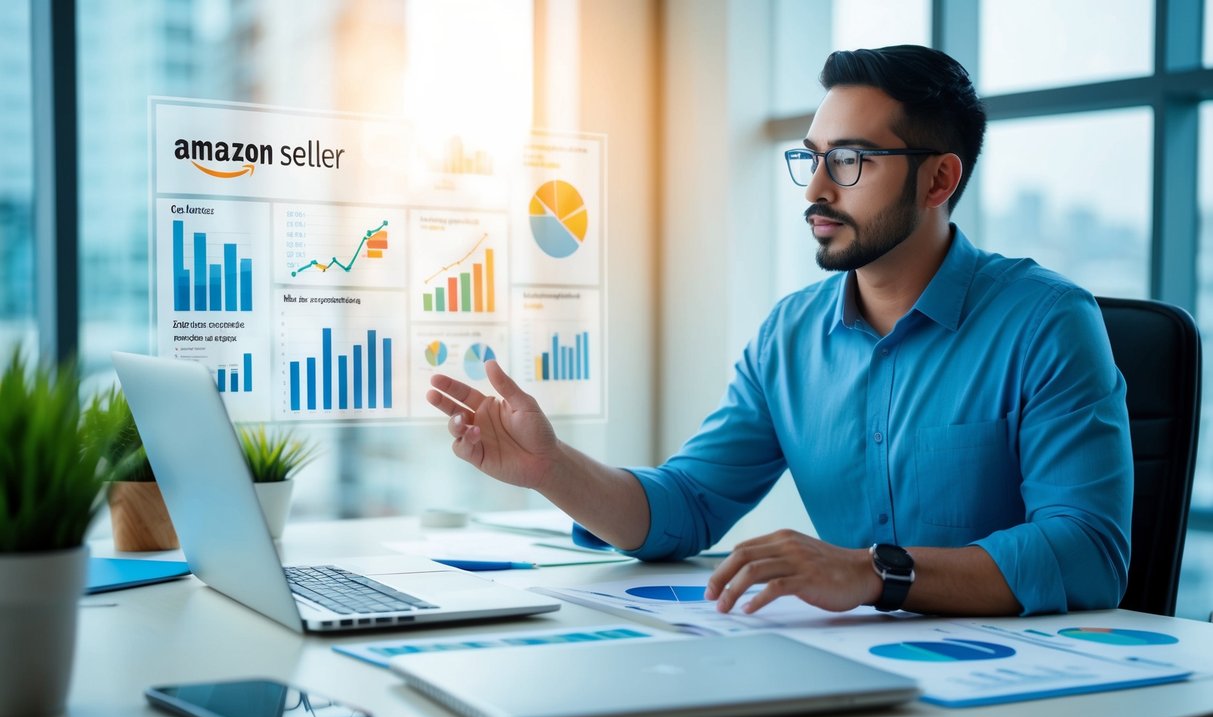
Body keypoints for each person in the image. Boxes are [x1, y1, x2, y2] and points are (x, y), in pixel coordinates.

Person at [425, 44, 1132, 619]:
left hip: (1021, 696)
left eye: (849, 161)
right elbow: (687, 505)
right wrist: (552, 469)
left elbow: (1086, 552)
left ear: (938, 180)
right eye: (811, 156)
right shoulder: (790, 334)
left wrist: (868, 571)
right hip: (855, 672)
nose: (815, 189)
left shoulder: (1046, 322)